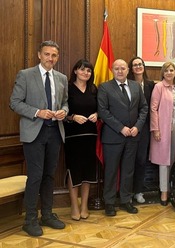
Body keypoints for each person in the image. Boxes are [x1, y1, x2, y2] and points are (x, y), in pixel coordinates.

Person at [9, 40, 68, 236]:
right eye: (47, 54)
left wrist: (63, 111)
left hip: (54, 132)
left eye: (54, 55)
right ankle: (30, 219)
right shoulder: (25, 75)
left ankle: (48, 215)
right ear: (39, 55)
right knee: (35, 176)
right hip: (34, 133)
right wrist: (37, 112)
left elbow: (66, 103)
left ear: (57, 57)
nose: (50, 58)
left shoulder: (61, 78)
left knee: (49, 176)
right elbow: (15, 103)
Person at [97, 59, 148, 216]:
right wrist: (121, 128)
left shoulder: (135, 86)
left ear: (127, 70)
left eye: (123, 68)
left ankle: (126, 200)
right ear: (112, 70)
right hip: (113, 137)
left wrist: (137, 127)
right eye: (117, 68)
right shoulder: (105, 87)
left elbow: (144, 108)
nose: (120, 71)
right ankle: (110, 203)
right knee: (111, 171)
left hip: (132, 137)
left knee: (128, 170)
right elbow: (103, 111)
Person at [64, 59, 98, 220]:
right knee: (74, 171)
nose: (86, 73)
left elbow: (100, 109)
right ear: (76, 71)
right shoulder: (68, 89)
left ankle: (84, 206)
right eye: (83, 70)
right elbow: (61, 112)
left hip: (90, 136)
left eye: (89, 71)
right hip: (73, 137)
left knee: (88, 172)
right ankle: (74, 206)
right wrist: (72, 117)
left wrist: (97, 115)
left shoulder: (93, 89)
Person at [149, 61, 175, 206]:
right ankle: (164, 192)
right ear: (163, 73)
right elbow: (153, 109)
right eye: (166, 70)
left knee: (173, 160)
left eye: (172, 70)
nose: (169, 73)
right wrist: (155, 129)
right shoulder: (159, 87)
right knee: (164, 161)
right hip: (162, 128)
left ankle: (171, 189)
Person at [127, 56, 155, 204]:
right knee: (128, 161)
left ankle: (138, 191)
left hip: (144, 129)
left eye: (140, 64)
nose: (138, 67)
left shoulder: (151, 85)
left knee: (141, 160)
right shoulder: (128, 84)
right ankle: (127, 192)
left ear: (144, 67)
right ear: (131, 69)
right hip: (129, 128)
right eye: (135, 65)